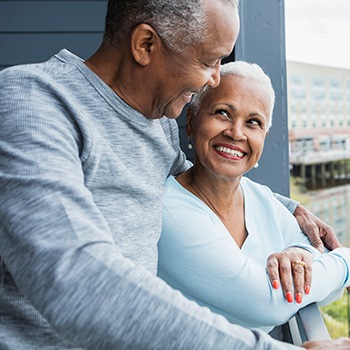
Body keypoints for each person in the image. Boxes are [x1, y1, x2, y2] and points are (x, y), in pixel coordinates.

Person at [0, 0, 347, 348]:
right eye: (209, 61)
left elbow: (199, 179)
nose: (215, 78)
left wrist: (291, 208)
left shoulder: (159, 125)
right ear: (145, 45)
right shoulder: (34, 102)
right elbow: (74, 279)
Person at [157, 61, 350, 332]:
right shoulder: (169, 212)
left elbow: (331, 293)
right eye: (223, 113)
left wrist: (300, 252)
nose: (236, 133)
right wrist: (345, 261)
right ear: (191, 121)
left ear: (264, 136)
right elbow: (269, 302)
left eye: (253, 123)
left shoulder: (261, 199)